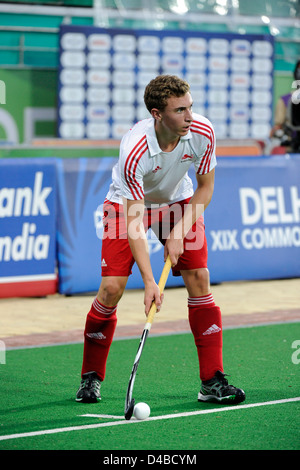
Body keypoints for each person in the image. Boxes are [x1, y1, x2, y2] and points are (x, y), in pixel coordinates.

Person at [75, 74, 245, 406]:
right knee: (111, 288)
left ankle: (211, 381)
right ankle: (91, 377)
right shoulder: (135, 149)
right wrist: (150, 281)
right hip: (125, 205)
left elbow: (205, 188)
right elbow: (135, 221)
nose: (190, 117)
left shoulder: (201, 132)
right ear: (157, 114)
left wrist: (179, 231)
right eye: (180, 110)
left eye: (191, 107)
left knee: (199, 277)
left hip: (179, 201)